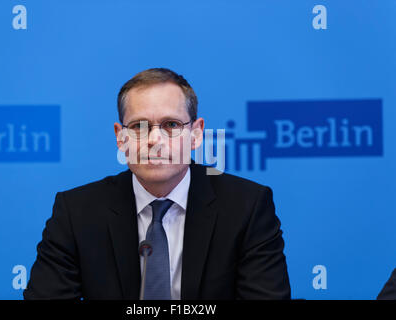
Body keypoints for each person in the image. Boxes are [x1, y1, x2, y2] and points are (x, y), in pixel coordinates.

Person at [23, 68, 291, 300]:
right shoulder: (77, 212)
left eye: (171, 124)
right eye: (139, 126)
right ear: (121, 137)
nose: (154, 139)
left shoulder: (247, 206)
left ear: (196, 134)